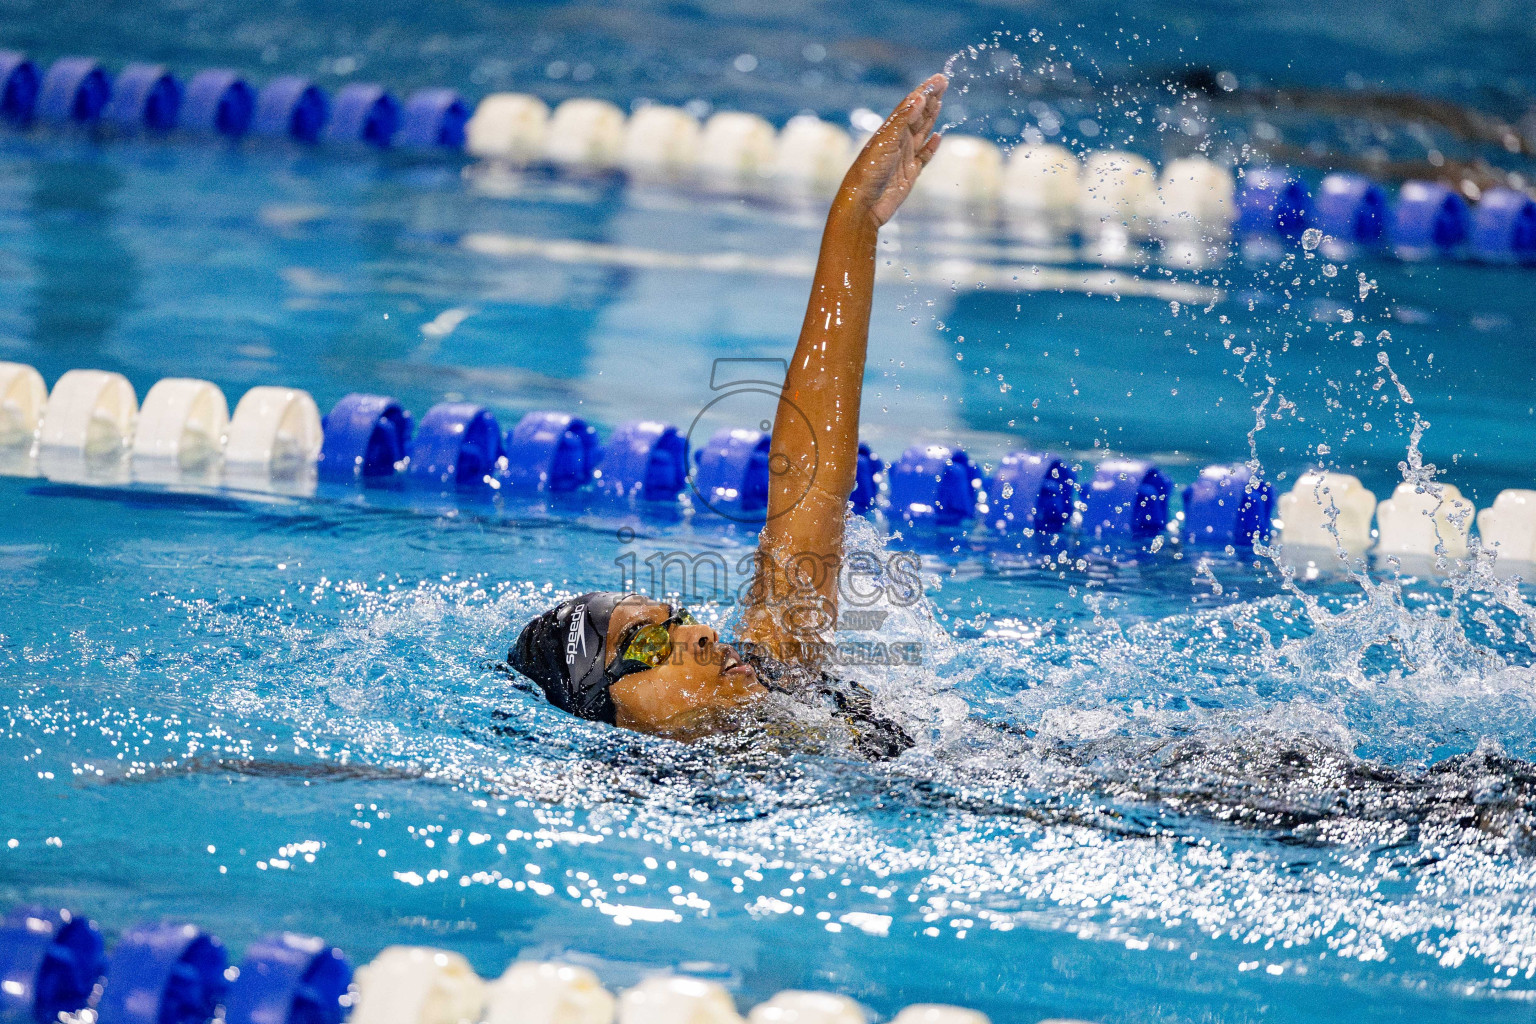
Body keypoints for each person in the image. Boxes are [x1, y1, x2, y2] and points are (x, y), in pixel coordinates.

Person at [509, 74, 948, 758]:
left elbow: (808, 481)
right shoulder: (653, 800)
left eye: (675, 619)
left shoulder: (779, 675)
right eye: (648, 643)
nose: (704, 633)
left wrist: (854, 221)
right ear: (603, 710)